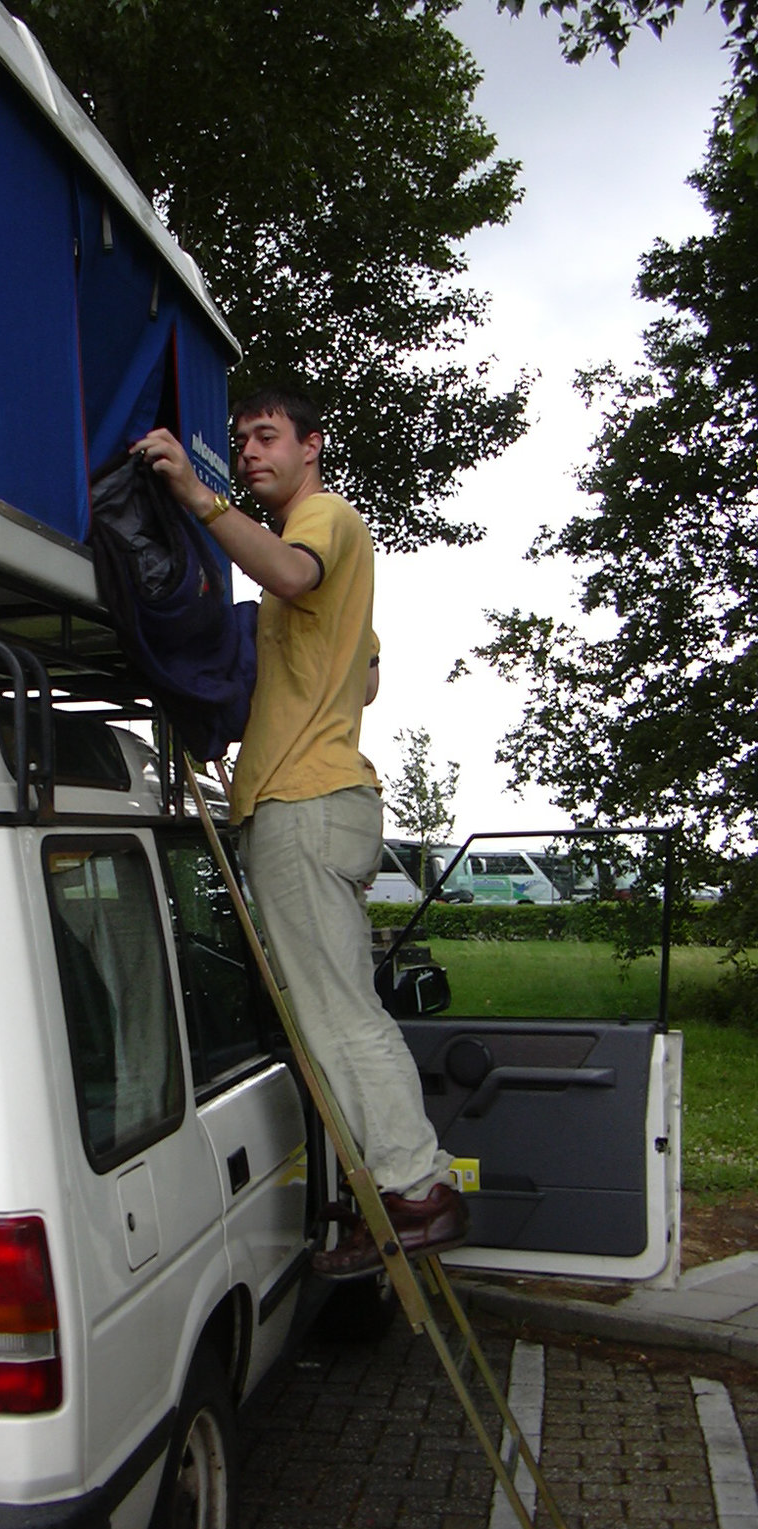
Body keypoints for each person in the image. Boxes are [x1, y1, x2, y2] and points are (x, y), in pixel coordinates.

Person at [131, 388, 468, 1276]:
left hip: (304, 804)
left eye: (266, 437)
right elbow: (367, 678)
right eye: (238, 441)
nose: (247, 453)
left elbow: (289, 574)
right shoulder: (324, 554)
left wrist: (200, 504)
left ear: (311, 447)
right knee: (328, 1012)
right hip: (320, 799)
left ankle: (418, 1187)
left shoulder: (320, 518)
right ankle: (386, 1190)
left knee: (336, 1014)